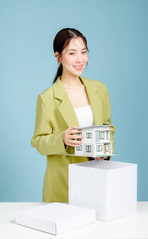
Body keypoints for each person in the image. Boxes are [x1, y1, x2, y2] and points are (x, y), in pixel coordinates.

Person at [31, 28, 116, 202]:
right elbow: (38, 141)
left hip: (96, 179)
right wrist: (62, 138)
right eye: (72, 53)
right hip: (63, 183)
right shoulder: (47, 98)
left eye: (84, 52)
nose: (80, 59)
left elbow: (107, 126)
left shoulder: (99, 89)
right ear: (58, 57)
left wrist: (105, 150)